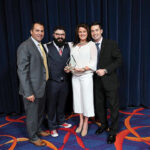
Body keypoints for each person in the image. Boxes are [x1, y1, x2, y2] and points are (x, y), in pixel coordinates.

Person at [17, 22, 50, 146]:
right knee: (32, 114)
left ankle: (38, 130)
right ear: (31, 32)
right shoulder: (25, 46)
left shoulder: (39, 45)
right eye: (37, 30)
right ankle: (33, 136)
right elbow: (22, 71)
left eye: (41, 31)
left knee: (40, 112)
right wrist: (28, 92)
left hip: (41, 86)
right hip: (31, 89)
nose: (40, 33)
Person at [90, 22, 122, 144]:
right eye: (92, 31)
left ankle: (112, 132)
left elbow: (119, 61)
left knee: (113, 106)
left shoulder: (111, 44)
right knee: (99, 105)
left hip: (109, 80)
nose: (94, 33)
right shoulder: (90, 45)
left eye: (96, 30)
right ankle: (103, 125)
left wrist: (106, 70)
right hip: (96, 81)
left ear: (101, 31)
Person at [65, 24, 97, 137]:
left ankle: (86, 123)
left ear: (87, 33)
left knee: (86, 100)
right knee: (77, 99)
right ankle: (80, 120)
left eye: (84, 31)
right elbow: (72, 61)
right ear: (77, 33)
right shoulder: (73, 45)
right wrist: (68, 67)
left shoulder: (91, 45)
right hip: (75, 77)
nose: (82, 33)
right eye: (80, 32)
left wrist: (83, 68)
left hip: (86, 76)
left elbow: (94, 62)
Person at [46, 26, 72, 137]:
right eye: (58, 34)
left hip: (65, 81)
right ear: (53, 35)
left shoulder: (69, 46)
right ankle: (52, 127)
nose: (60, 37)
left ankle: (61, 121)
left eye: (62, 35)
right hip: (52, 82)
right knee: (51, 105)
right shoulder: (46, 47)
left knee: (62, 103)